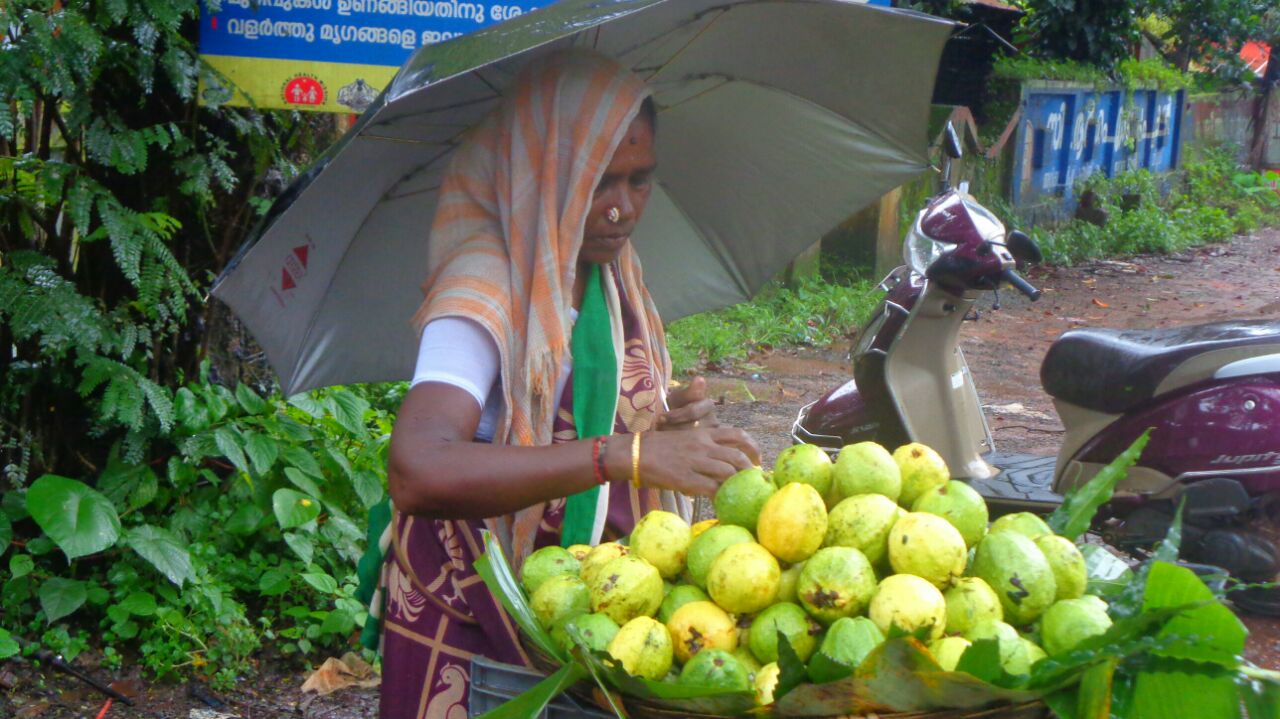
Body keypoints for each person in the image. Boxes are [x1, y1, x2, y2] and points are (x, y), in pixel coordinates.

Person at [372, 50, 761, 719]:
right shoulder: (484, 286)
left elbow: (575, 408)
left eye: (640, 181)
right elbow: (418, 468)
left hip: (584, 605)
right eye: (599, 183)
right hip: (475, 613)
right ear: (544, 173)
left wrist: (659, 419)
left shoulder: (608, 274)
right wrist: (622, 454)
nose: (621, 210)